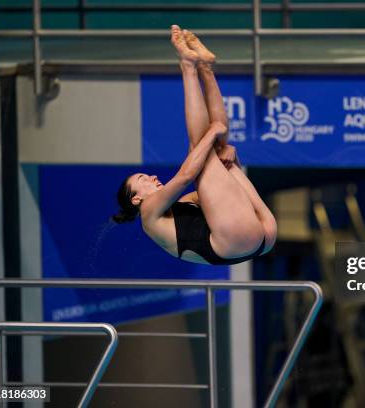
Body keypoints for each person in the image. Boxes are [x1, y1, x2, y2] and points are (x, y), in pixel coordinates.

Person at [112, 25, 277, 265]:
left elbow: (228, 189)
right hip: (239, 240)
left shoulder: (183, 203)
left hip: (257, 237)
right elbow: (185, 175)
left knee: (217, 152)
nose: (151, 176)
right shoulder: (148, 214)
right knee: (200, 147)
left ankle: (205, 67)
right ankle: (189, 66)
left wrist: (231, 158)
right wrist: (212, 132)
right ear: (136, 199)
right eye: (143, 179)